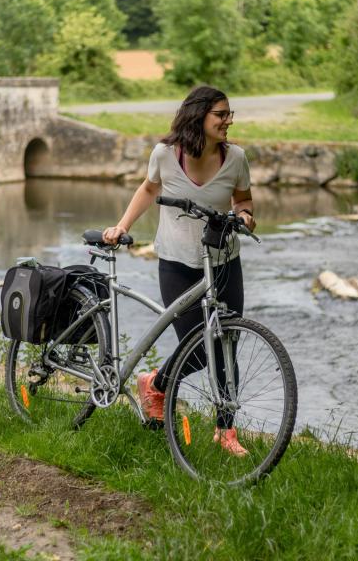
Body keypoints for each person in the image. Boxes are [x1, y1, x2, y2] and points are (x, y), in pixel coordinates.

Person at [103, 85, 255, 456]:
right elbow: (148, 188)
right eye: (221, 114)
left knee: (226, 341)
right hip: (176, 262)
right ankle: (156, 382)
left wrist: (246, 216)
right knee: (198, 349)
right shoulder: (166, 155)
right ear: (199, 115)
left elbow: (244, 200)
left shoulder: (235, 158)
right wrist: (122, 226)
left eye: (229, 114)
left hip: (223, 263)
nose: (228, 121)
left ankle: (225, 430)